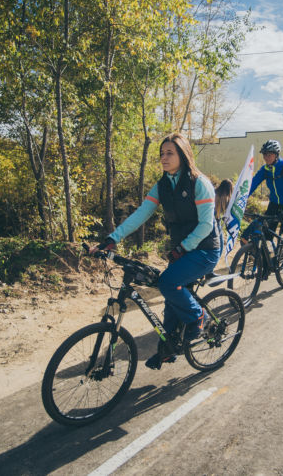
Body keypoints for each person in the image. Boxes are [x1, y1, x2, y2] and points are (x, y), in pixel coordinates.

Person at [89, 133, 222, 370]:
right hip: (182, 250)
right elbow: (141, 214)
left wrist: (183, 248)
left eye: (170, 153)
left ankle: (197, 316)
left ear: (183, 154)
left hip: (204, 249)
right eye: (162, 153)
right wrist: (112, 238)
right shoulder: (162, 185)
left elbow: (206, 225)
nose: (164, 157)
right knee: (171, 299)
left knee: (168, 284)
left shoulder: (198, 183)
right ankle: (168, 349)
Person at [249, 139, 283, 260]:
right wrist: (242, 199)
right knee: (267, 230)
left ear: (276, 155)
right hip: (275, 202)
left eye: (269, 154)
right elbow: (253, 183)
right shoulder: (265, 169)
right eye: (264, 154)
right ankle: (268, 259)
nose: (266, 157)